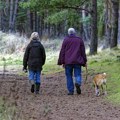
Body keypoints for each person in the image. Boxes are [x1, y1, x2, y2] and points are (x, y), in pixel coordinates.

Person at [57, 28, 87, 95]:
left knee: (69, 76)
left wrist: (61, 61)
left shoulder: (66, 40)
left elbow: (62, 51)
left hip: (68, 62)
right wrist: (84, 61)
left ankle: (71, 91)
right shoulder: (79, 40)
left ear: (68, 33)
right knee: (78, 74)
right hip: (77, 61)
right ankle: (78, 83)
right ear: (74, 32)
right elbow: (83, 51)